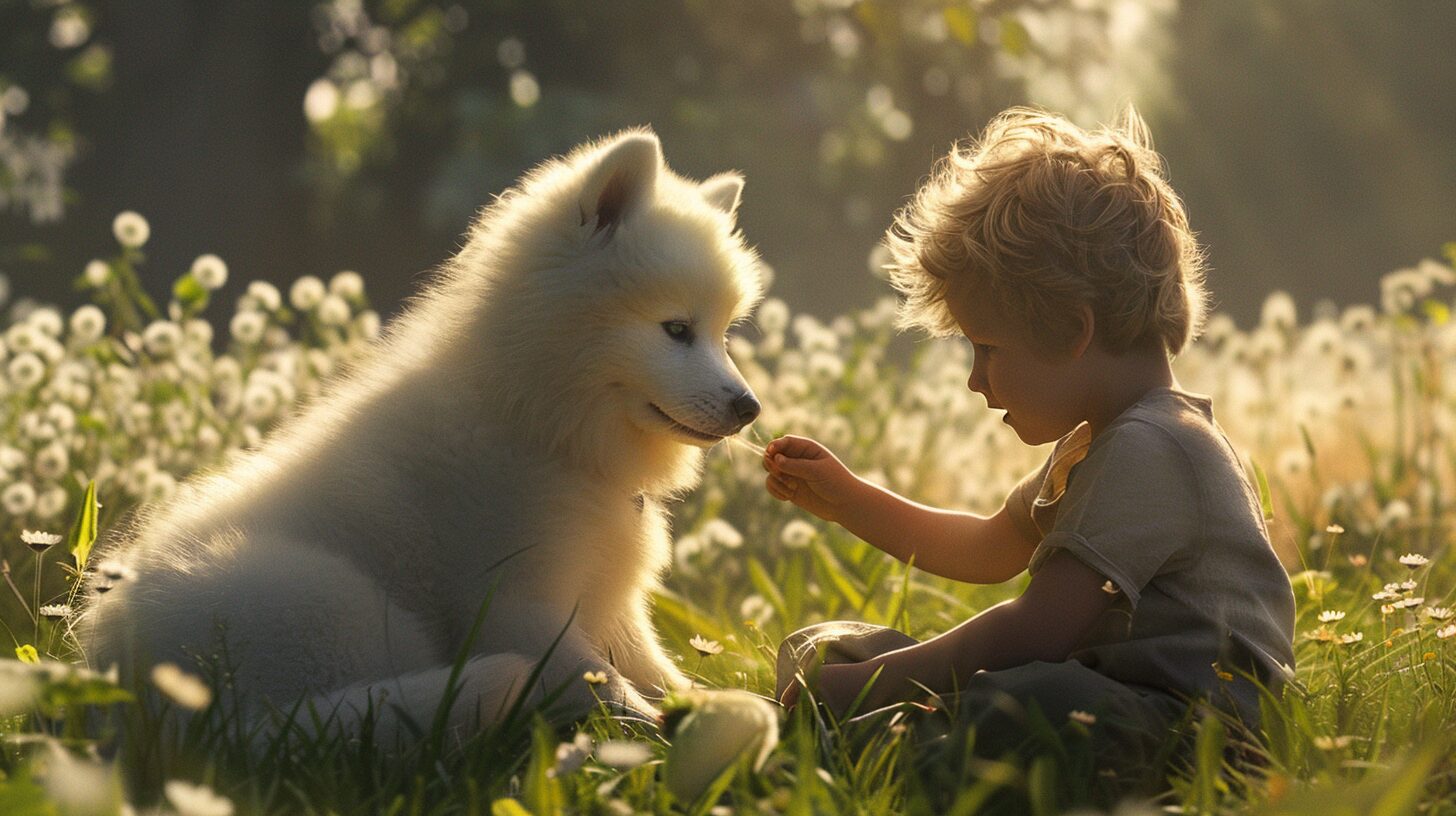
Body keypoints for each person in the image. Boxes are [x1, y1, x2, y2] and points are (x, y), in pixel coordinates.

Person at [762, 105, 1296, 757]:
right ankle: (876, 732)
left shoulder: (1154, 447)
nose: (975, 380)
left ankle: (883, 745)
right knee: (828, 648)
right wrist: (849, 500)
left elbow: (1035, 632)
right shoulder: (1098, 442)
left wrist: (874, 682)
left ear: (1073, 331)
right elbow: (988, 549)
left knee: (1029, 702)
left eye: (986, 348)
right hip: (1103, 699)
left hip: (1193, 732)